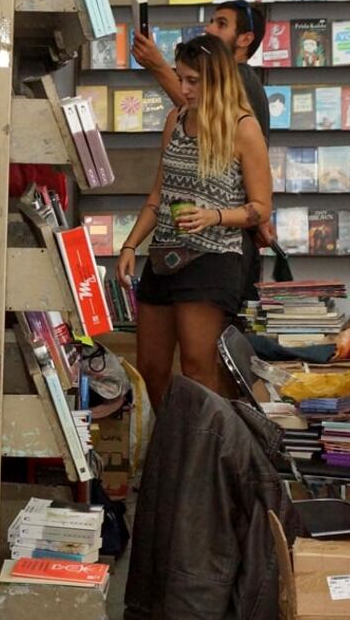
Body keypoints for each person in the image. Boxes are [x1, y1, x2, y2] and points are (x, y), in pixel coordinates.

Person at [115, 35, 272, 410]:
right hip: (163, 257)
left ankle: (213, 450)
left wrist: (214, 216)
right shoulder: (176, 120)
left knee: (197, 368)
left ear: (216, 78)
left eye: (192, 81)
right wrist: (129, 244)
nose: (183, 89)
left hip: (213, 258)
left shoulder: (242, 128)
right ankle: (175, 442)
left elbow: (261, 208)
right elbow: (158, 197)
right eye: (180, 78)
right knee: (151, 366)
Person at [133, 0, 271, 304]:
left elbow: (206, 117)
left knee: (204, 347)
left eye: (221, 24)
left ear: (245, 39)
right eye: (211, 21)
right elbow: (158, 192)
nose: (209, 28)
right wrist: (130, 245)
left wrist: (157, 64)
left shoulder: (241, 88)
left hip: (221, 247)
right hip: (172, 247)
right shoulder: (182, 118)